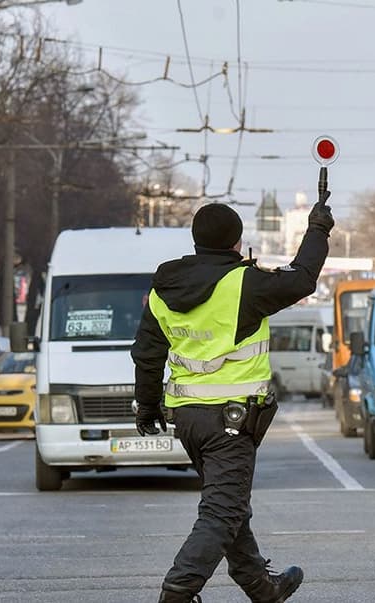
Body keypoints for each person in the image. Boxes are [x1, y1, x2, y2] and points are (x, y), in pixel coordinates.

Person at [131, 185, 334, 603]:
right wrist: (318, 228)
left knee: (229, 504)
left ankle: (262, 587)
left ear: (195, 239)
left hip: (187, 418)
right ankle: (177, 591)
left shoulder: (162, 289)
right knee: (222, 511)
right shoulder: (244, 284)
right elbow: (303, 278)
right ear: (236, 241)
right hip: (232, 421)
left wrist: (147, 405)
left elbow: (148, 354)